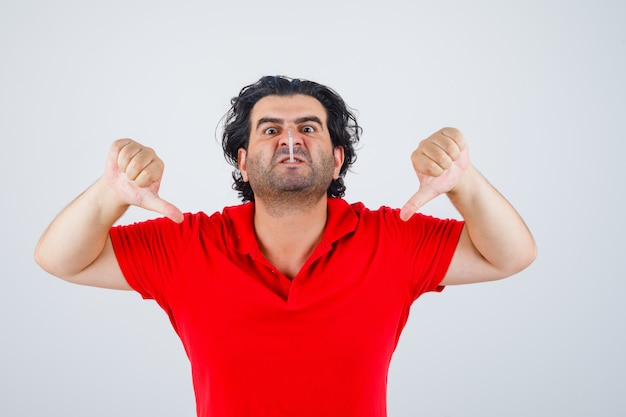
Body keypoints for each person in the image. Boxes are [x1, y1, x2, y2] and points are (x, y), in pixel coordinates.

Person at [34, 75, 537, 417]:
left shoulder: (393, 237)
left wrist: (462, 183)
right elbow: (59, 258)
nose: (289, 140)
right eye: (270, 129)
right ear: (244, 161)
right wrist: (111, 194)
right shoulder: (189, 244)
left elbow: (511, 254)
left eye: (309, 128)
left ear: (337, 160)